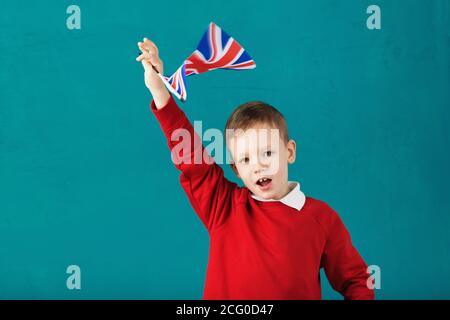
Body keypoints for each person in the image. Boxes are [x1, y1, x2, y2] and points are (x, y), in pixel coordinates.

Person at [136, 37, 374, 300]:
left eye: (268, 153)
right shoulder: (224, 206)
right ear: (236, 169)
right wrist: (160, 92)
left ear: (290, 152)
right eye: (246, 160)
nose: (259, 166)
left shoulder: (322, 218)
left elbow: (356, 280)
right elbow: (192, 159)